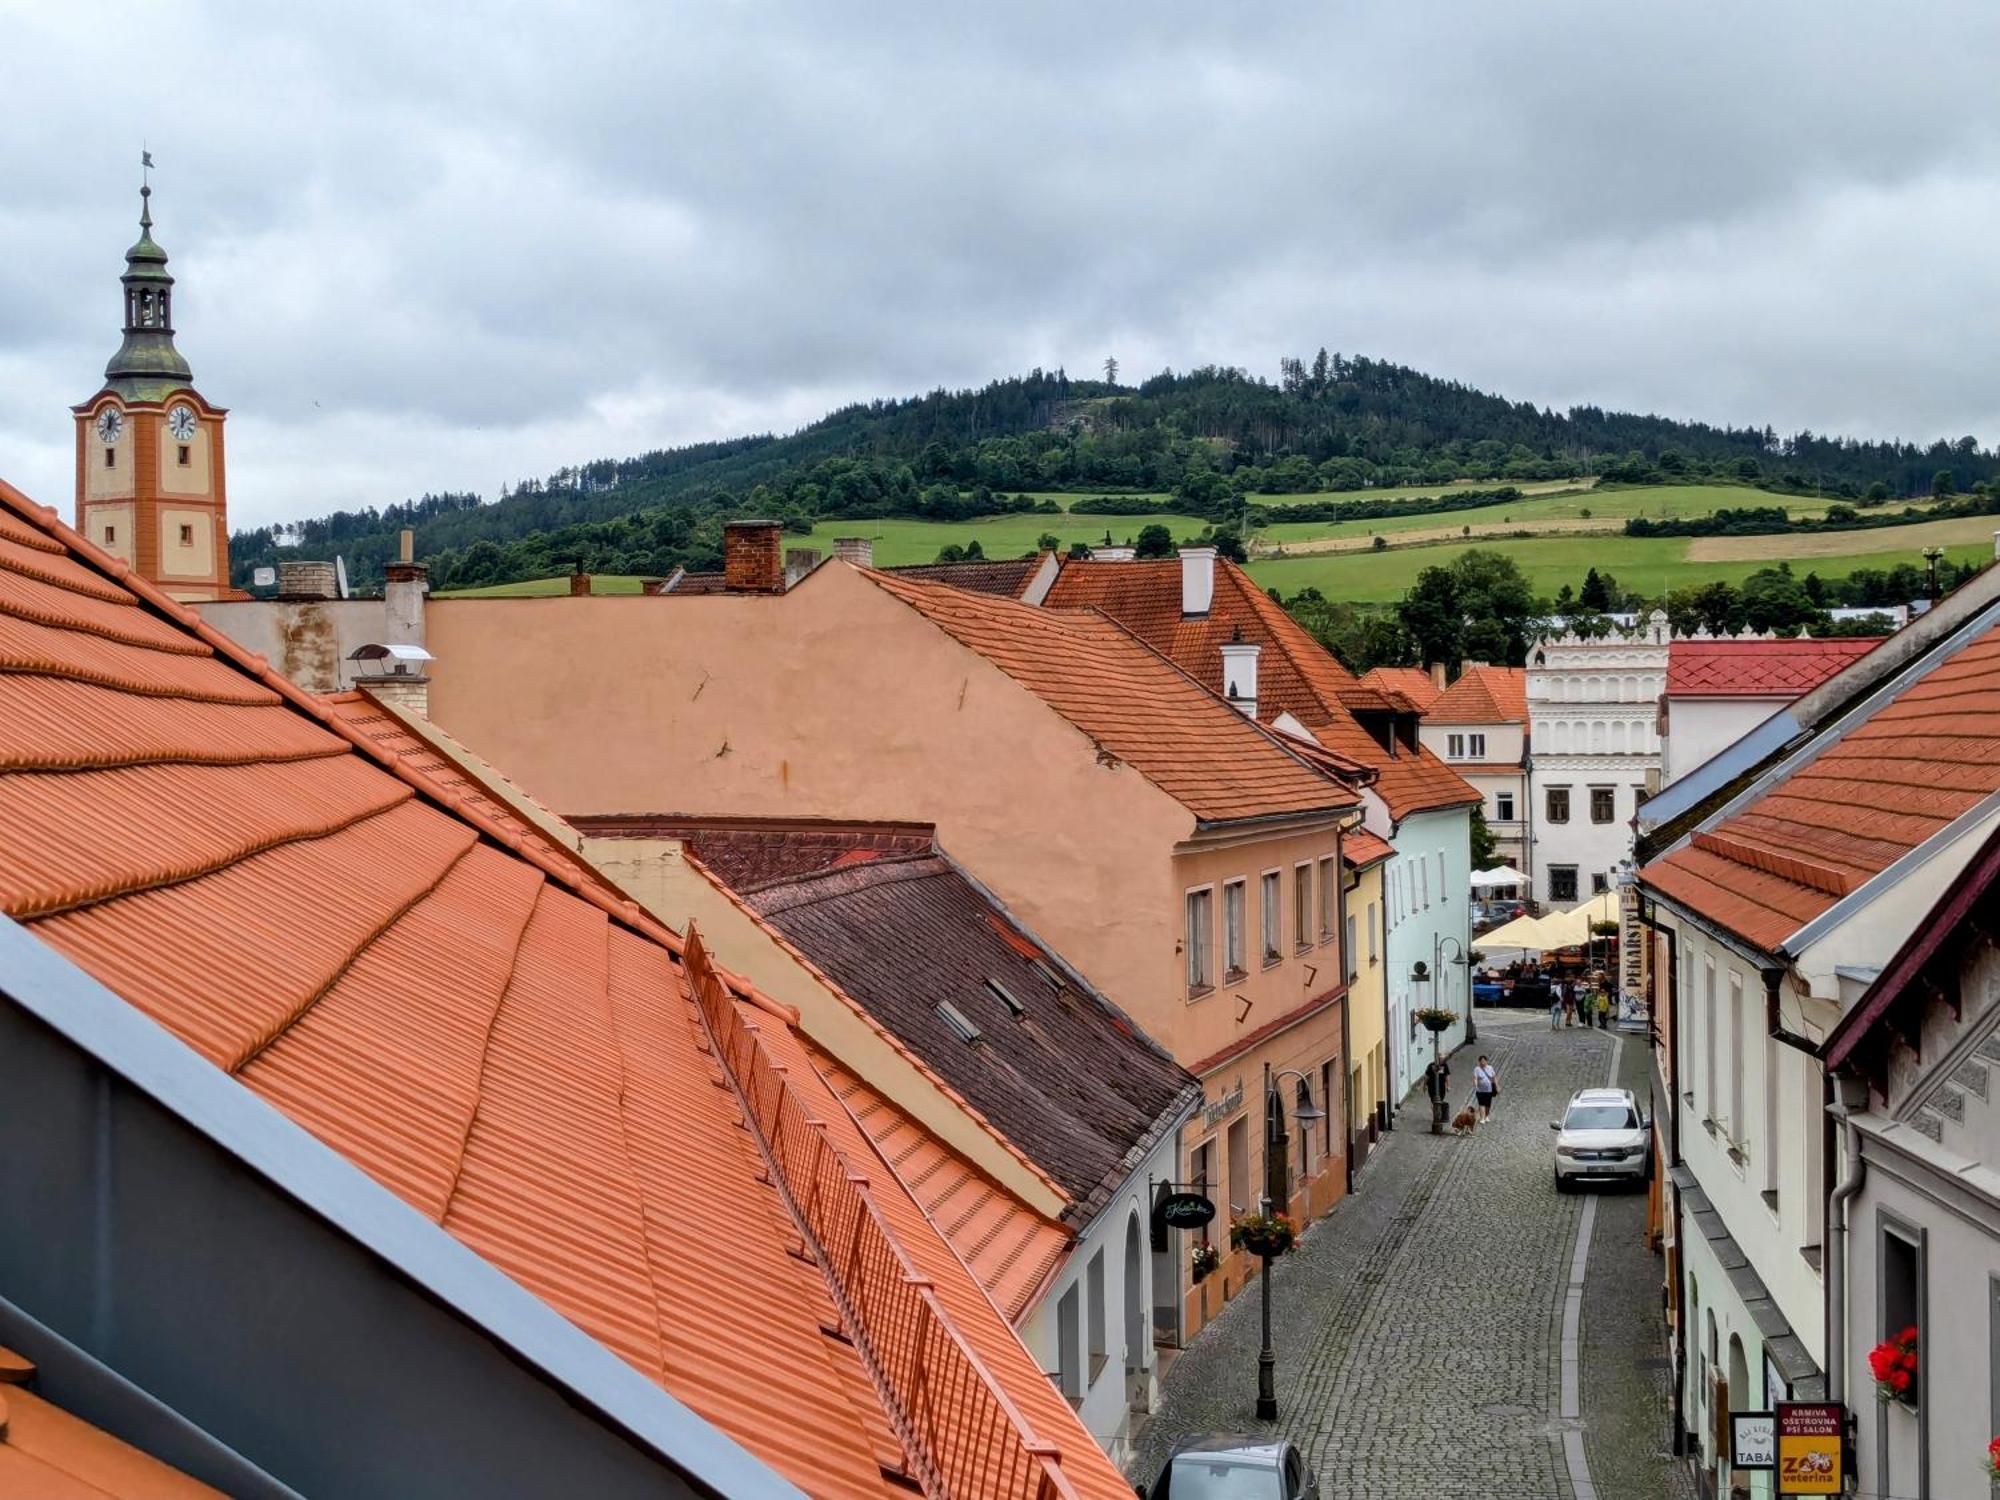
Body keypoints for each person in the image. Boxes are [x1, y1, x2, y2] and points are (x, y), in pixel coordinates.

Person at [1424, 1053, 1452, 1132]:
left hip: (1441, 1086)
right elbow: (1427, 1076)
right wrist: (1424, 1085)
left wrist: (1448, 1085)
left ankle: (1437, 1114)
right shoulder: (1431, 1065)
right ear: (1437, 1059)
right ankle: (1436, 1117)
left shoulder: (1445, 1066)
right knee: (1434, 1101)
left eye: (1443, 1059)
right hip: (1432, 1086)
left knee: (1441, 1100)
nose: (1442, 1060)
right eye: (1440, 1058)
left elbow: (1447, 1076)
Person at [1473, 1054, 1498, 1124]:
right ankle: (1482, 1118)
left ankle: (1486, 1116)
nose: (1483, 1062)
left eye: (1484, 1061)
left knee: (1488, 1105)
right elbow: (1475, 1078)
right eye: (1481, 1061)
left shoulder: (1490, 1068)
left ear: (1486, 1061)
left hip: (1489, 1090)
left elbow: (1494, 1077)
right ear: (1479, 1062)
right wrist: (1475, 1085)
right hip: (1480, 1090)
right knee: (1481, 1104)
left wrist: (1497, 1086)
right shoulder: (1476, 1069)